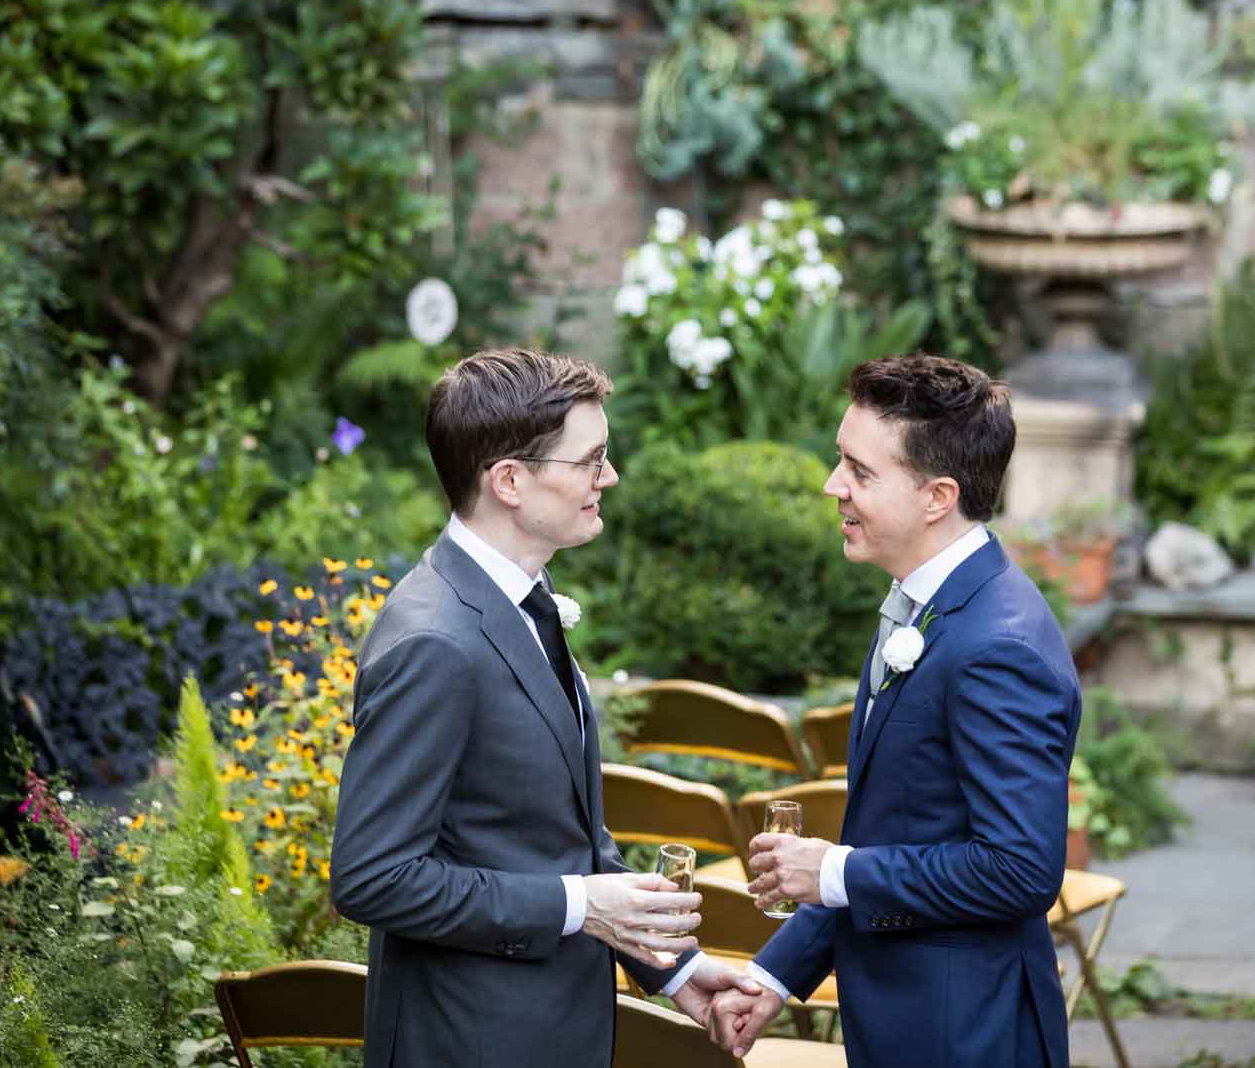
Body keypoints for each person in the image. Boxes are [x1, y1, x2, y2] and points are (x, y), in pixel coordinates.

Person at [331, 347, 756, 1067]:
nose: (609, 477)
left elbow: (561, 834)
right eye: (590, 460)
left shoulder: (525, 596)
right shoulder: (434, 640)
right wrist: (580, 904)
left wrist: (670, 967)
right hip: (467, 1041)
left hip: (554, 1033)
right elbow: (373, 876)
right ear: (509, 481)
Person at [710, 354, 1082, 1067]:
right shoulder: (923, 603)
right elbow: (892, 830)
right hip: (905, 1020)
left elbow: (1020, 869)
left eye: (859, 470)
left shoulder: (996, 645)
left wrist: (833, 872)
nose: (833, 485)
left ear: (937, 495)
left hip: (966, 1032)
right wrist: (773, 974)